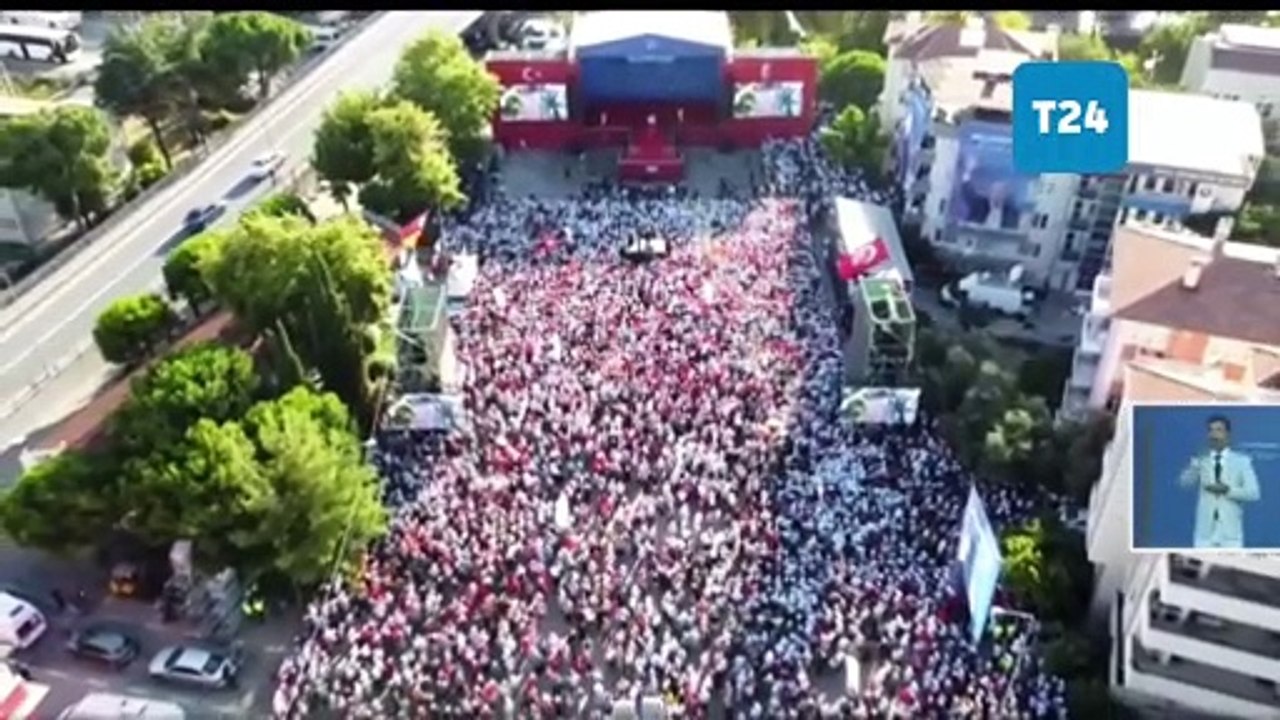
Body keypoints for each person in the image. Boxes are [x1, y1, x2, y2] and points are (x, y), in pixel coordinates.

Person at [1179, 414, 1261, 549]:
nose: (1214, 434)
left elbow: (1254, 493)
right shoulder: (1201, 460)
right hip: (1204, 533)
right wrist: (1194, 464)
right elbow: (1184, 484)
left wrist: (1227, 490)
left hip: (1230, 533)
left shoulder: (1242, 462)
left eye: (1219, 430)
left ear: (1227, 434)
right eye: (1211, 430)